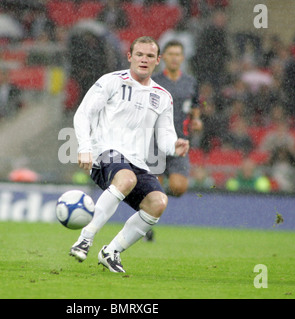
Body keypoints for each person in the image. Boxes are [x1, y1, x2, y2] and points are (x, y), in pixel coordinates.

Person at [70, 36, 189, 273]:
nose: (143, 60)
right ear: (129, 57)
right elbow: (83, 114)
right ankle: (86, 237)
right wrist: (84, 147)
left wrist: (173, 146)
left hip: (137, 162)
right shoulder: (111, 81)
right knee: (126, 179)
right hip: (105, 152)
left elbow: (165, 135)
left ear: (158, 60)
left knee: (158, 202)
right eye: (139, 55)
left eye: (149, 56)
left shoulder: (163, 96)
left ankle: (111, 251)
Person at [152, 40, 202, 197]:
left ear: (183, 58)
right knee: (153, 191)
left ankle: (162, 194)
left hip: (179, 142)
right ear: (163, 57)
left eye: (178, 55)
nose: (174, 58)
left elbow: (196, 105)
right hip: (154, 143)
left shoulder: (191, 82)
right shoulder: (153, 81)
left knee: (179, 187)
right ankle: (154, 197)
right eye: (171, 54)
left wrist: (197, 120)